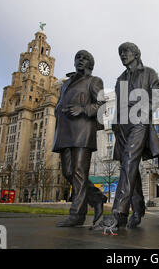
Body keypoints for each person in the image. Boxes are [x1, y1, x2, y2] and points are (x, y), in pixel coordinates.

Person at [109, 42, 159, 229]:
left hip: (139, 121)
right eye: (120, 52)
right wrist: (115, 123)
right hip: (122, 126)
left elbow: (157, 96)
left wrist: (143, 110)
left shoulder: (149, 72)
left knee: (130, 160)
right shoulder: (119, 79)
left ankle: (118, 212)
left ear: (136, 53)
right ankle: (137, 208)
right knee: (128, 165)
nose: (123, 54)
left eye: (126, 51)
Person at [52, 50, 107, 227]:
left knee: (78, 171)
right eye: (78, 58)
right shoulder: (66, 83)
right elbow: (60, 102)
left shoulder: (94, 81)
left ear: (91, 63)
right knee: (68, 172)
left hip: (82, 130)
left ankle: (77, 214)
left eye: (85, 58)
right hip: (65, 131)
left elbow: (101, 104)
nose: (80, 61)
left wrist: (83, 109)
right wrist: (58, 111)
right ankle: (97, 198)